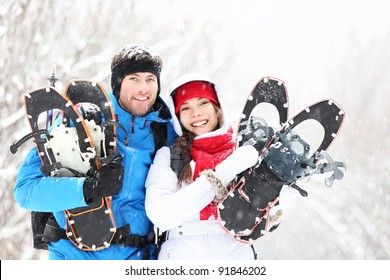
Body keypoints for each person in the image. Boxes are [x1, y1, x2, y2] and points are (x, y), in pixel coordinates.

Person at [13, 44, 176, 260]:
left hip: (136, 258)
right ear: (117, 84)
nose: (143, 88)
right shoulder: (81, 121)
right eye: (134, 79)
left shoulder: (165, 131)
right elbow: (26, 191)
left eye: (150, 79)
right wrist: (87, 189)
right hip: (73, 256)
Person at [145, 73, 260, 259]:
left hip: (237, 253)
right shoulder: (171, 157)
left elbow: (261, 216)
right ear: (177, 117)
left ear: (217, 108)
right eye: (185, 107)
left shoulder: (242, 152)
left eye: (203, 103)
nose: (196, 113)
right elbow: (160, 214)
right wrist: (220, 175)